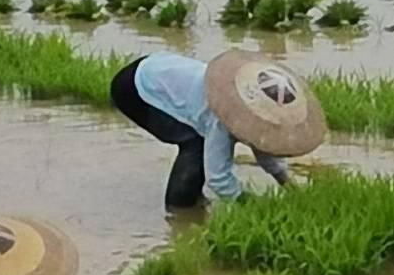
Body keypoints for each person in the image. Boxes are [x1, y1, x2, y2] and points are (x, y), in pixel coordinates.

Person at [108, 50, 322, 211]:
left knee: (200, 142)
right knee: (196, 144)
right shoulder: (222, 116)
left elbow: (262, 142)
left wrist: (288, 185)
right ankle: (179, 211)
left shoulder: (247, 103)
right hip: (136, 88)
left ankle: (192, 198)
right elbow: (218, 178)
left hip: (159, 66)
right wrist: (252, 206)